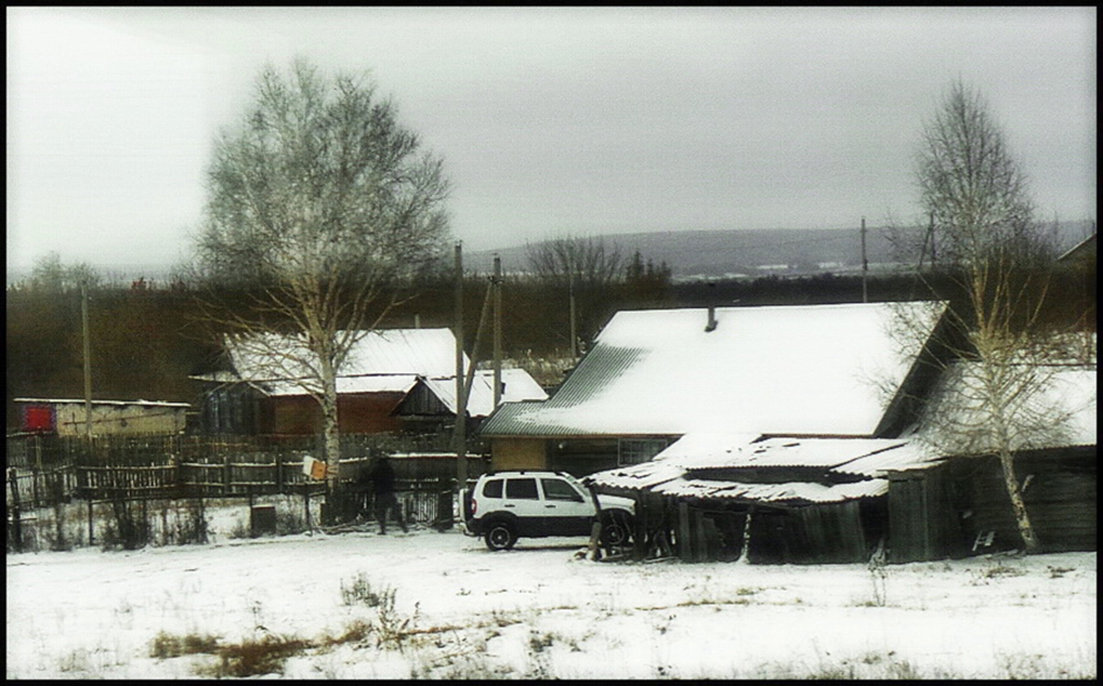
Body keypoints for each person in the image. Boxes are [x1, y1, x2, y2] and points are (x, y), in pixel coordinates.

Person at [368, 456, 407, 534]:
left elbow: (371, 478)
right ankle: (403, 527)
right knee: (396, 511)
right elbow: (393, 479)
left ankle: (383, 529)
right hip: (389, 492)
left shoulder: (376, 469)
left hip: (380, 493)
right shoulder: (389, 469)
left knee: (381, 512)